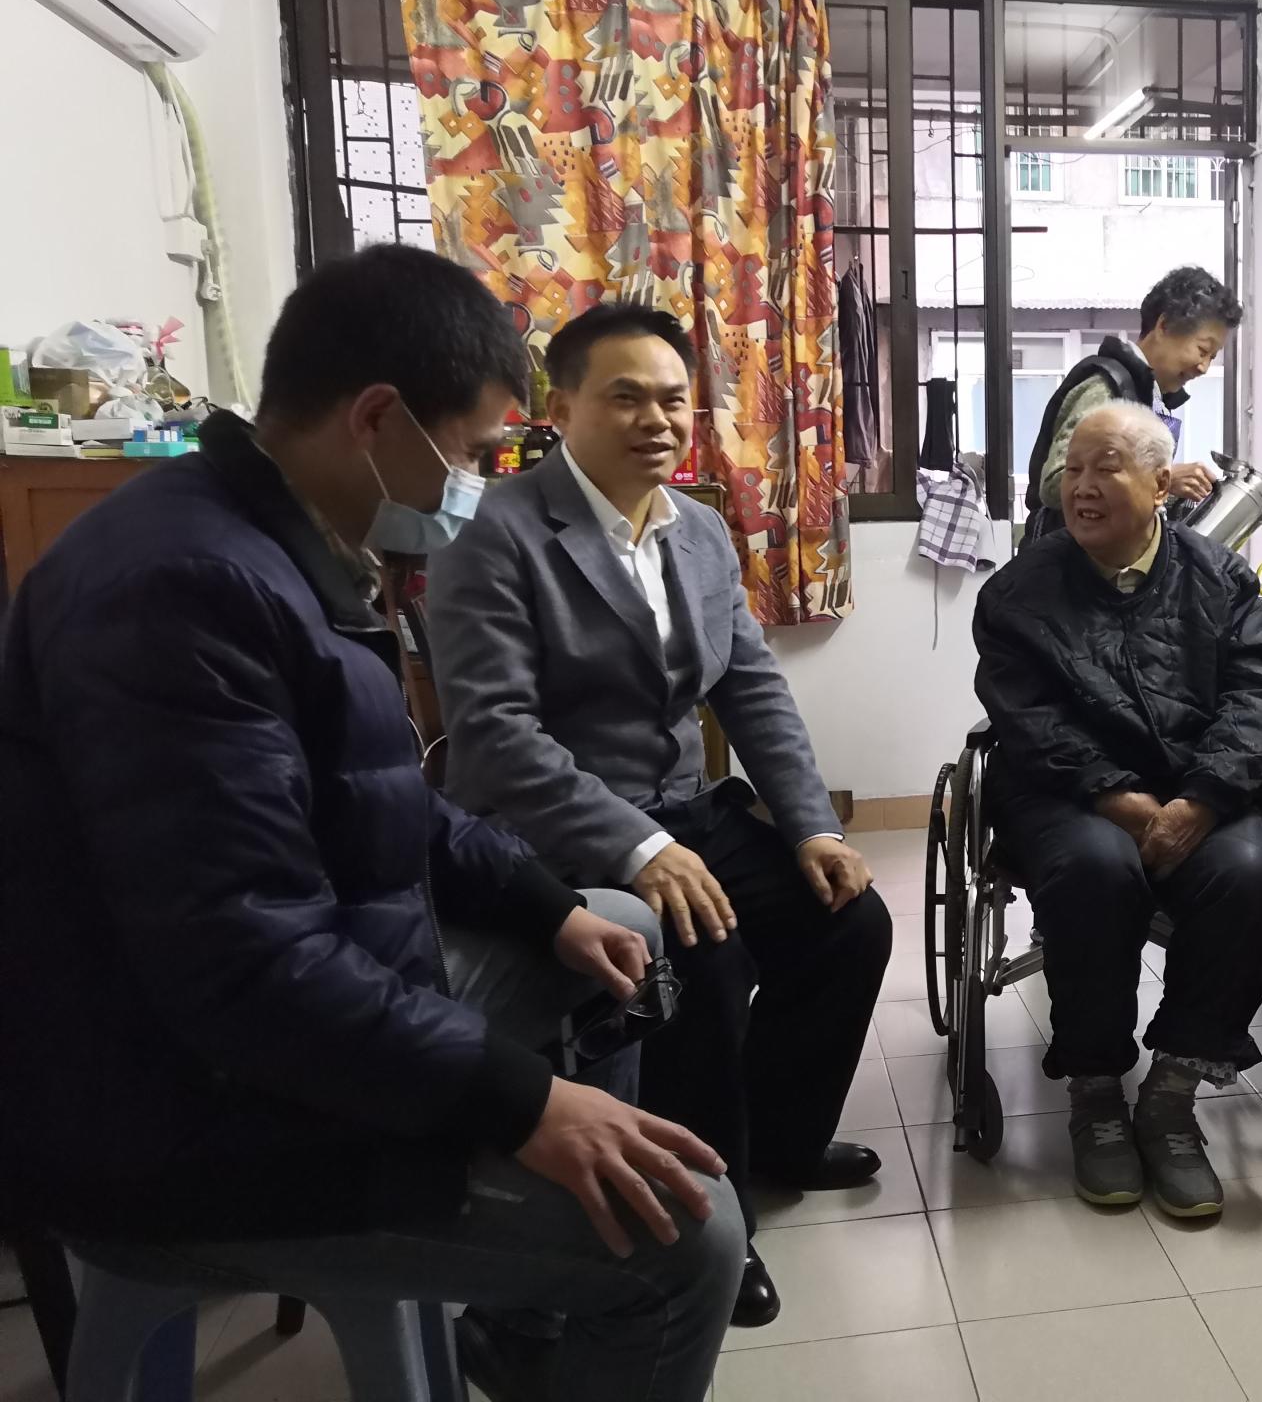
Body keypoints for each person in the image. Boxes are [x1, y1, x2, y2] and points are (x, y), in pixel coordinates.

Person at [0, 245, 745, 1402]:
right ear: (378, 420)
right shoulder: (184, 589)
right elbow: (245, 970)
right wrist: (524, 1105)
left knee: (612, 932)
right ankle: (561, 1270)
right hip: (181, 1113)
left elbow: (386, 799)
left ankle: (528, 1317)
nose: (477, 482)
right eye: (474, 451)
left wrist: (546, 906)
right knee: (686, 1237)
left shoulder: (283, 549)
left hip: (272, 1024)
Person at [428, 301, 890, 1329]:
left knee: (848, 922)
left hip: (685, 810)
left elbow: (751, 688)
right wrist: (636, 848)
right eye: (626, 397)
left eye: (674, 400)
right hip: (552, 833)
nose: (658, 421)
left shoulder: (700, 531)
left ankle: (776, 1142)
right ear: (560, 409)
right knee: (700, 959)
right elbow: (497, 736)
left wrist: (811, 826)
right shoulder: (492, 532)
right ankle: (706, 1219)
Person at [974, 401, 1262, 1216]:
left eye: (1106, 468)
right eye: (1072, 470)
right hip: (1065, 793)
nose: (1082, 487)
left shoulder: (1218, 576)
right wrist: (1120, 802)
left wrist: (1201, 798)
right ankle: (1095, 1091)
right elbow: (1028, 719)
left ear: (1161, 486)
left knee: (1250, 870)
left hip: (1199, 789)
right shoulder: (1019, 591)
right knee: (1096, 868)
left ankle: (1171, 1095)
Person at [1022, 265, 1243, 539]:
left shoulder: (1151, 397)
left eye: (1212, 357)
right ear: (1163, 326)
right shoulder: (1105, 387)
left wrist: (1173, 492)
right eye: (1202, 350)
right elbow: (1055, 483)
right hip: (1068, 559)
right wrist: (1161, 480)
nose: (1204, 367)